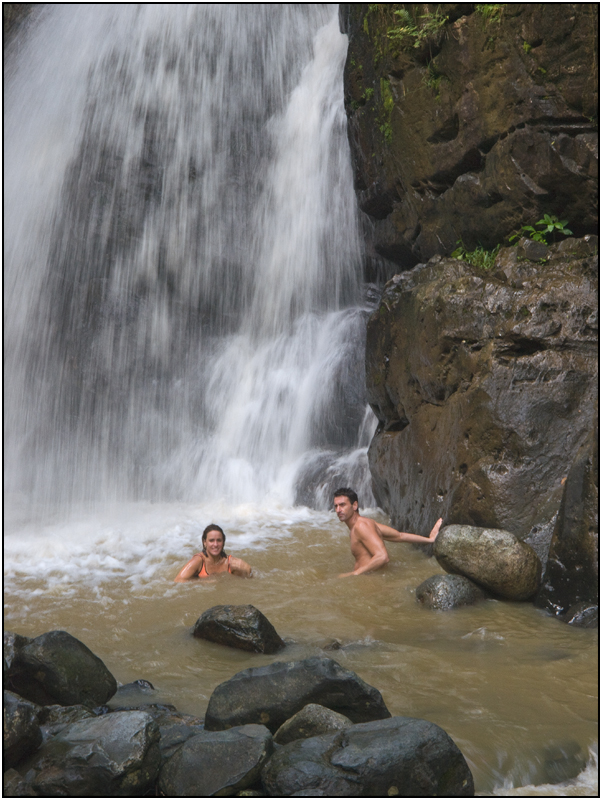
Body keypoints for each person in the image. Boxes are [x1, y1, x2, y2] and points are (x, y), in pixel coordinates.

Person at [333, 488, 443, 578]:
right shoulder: (366, 523)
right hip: (373, 578)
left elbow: (382, 557)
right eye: (336, 506)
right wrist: (430, 540)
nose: (338, 510)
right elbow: (399, 536)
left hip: (370, 582)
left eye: (342, 505)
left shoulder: (361, 526)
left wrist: (353, 574)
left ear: (355, 505)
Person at [174, 524, 252, 581]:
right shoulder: (199, 561)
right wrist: (204, 582)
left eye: (219, 540)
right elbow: (178, 581)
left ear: (223, 542)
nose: (215, 544)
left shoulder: (231, 563)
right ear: (205, 542)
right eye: (211, 540)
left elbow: (250, 579)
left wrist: (247, 569)